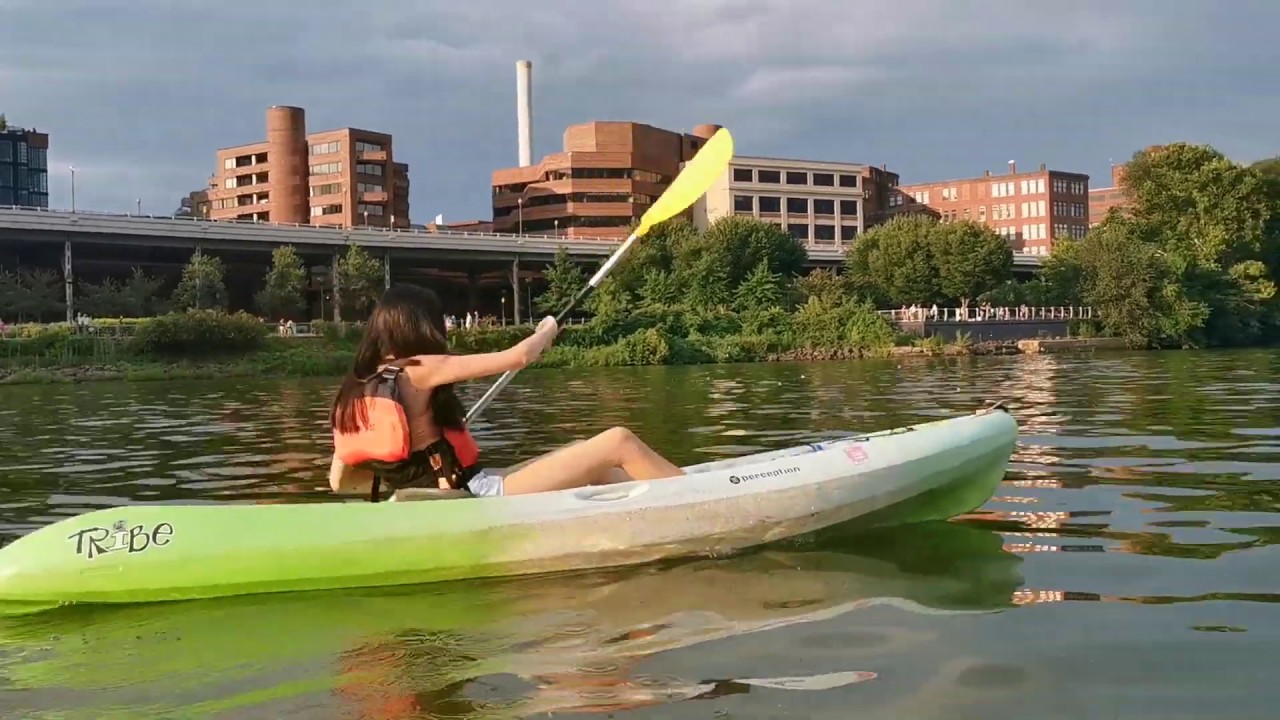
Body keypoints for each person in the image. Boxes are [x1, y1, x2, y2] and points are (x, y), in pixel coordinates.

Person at [328, 284, 684, 499]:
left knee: (584, 454)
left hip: (437, 497)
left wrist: (404, 482)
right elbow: (519, 356)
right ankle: (700, 498)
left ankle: (646, 509)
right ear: (422, 327)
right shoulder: (420, 368)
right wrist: (548, 329)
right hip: (475, 496)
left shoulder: (356, 387)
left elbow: (339, 481)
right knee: (618, 441)